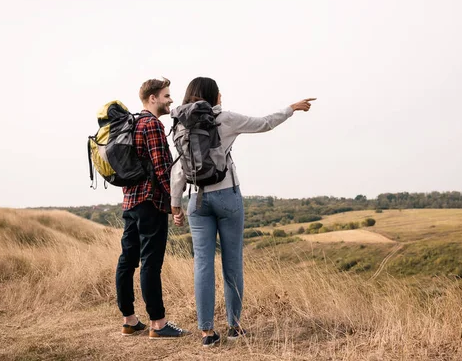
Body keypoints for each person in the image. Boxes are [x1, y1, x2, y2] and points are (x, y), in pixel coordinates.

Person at [170, 77, 315, 347]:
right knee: (232, 262)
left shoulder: (180, 122)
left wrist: (175, 204)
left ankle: (207, 333)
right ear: (213, 95)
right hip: (227, 196)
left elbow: (179, 167)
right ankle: (234, 327)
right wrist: (290, 108)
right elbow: (264, 123)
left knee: (202, 265)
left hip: (196, 201)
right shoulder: (225, 118)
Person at [116, 77, 190, 339]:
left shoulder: (132, 124)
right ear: (153, 99)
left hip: (130, 203)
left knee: (127, 261)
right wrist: (175, 205)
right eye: (167, 96)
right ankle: (158, 324)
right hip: (150, 204)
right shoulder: (152, 125)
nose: (171, 100)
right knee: (150, 264)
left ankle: (129, 320)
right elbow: (162, 169)